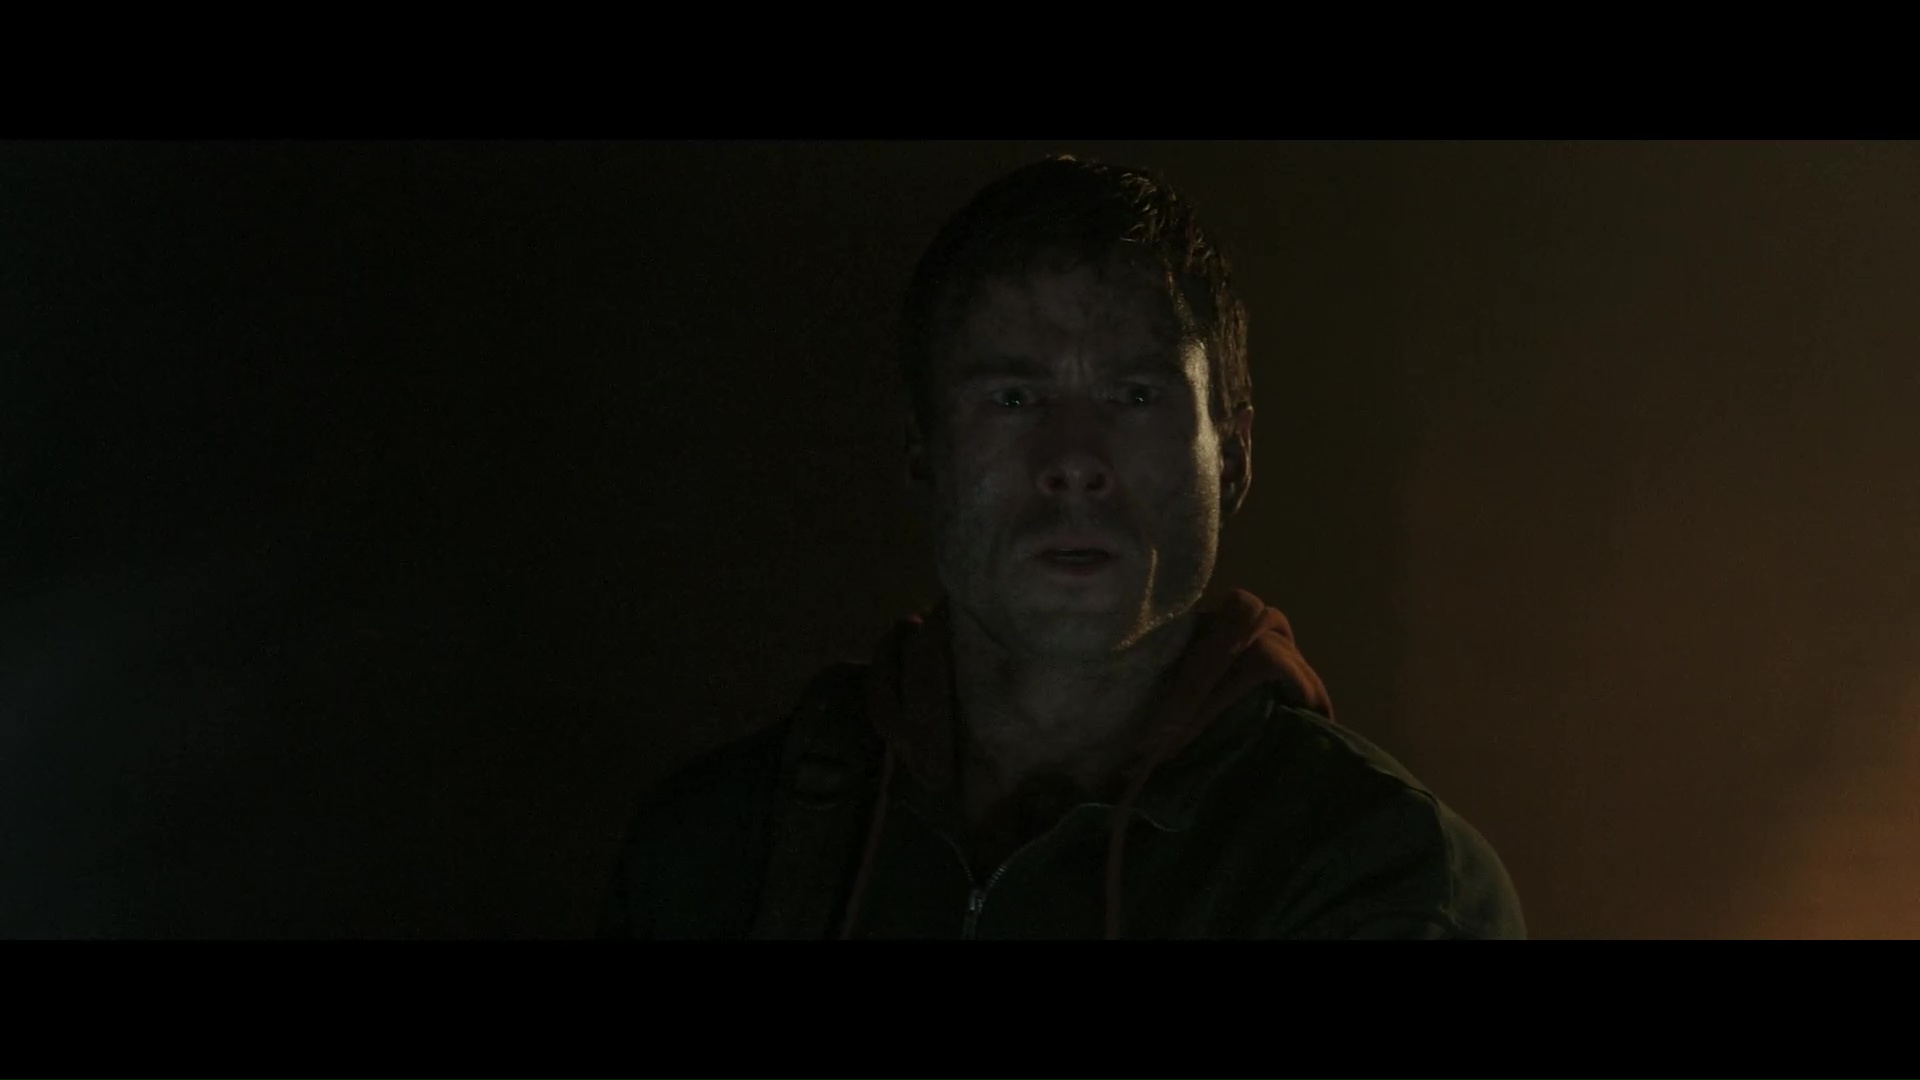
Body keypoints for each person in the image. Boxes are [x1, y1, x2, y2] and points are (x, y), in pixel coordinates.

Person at [598, 154, 1525, 940]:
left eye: (1134, 396)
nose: (1075, 461)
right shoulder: (724, 844)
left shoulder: (1381, 870)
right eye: (1014, 398)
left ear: (1233, 455)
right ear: (923, 452)